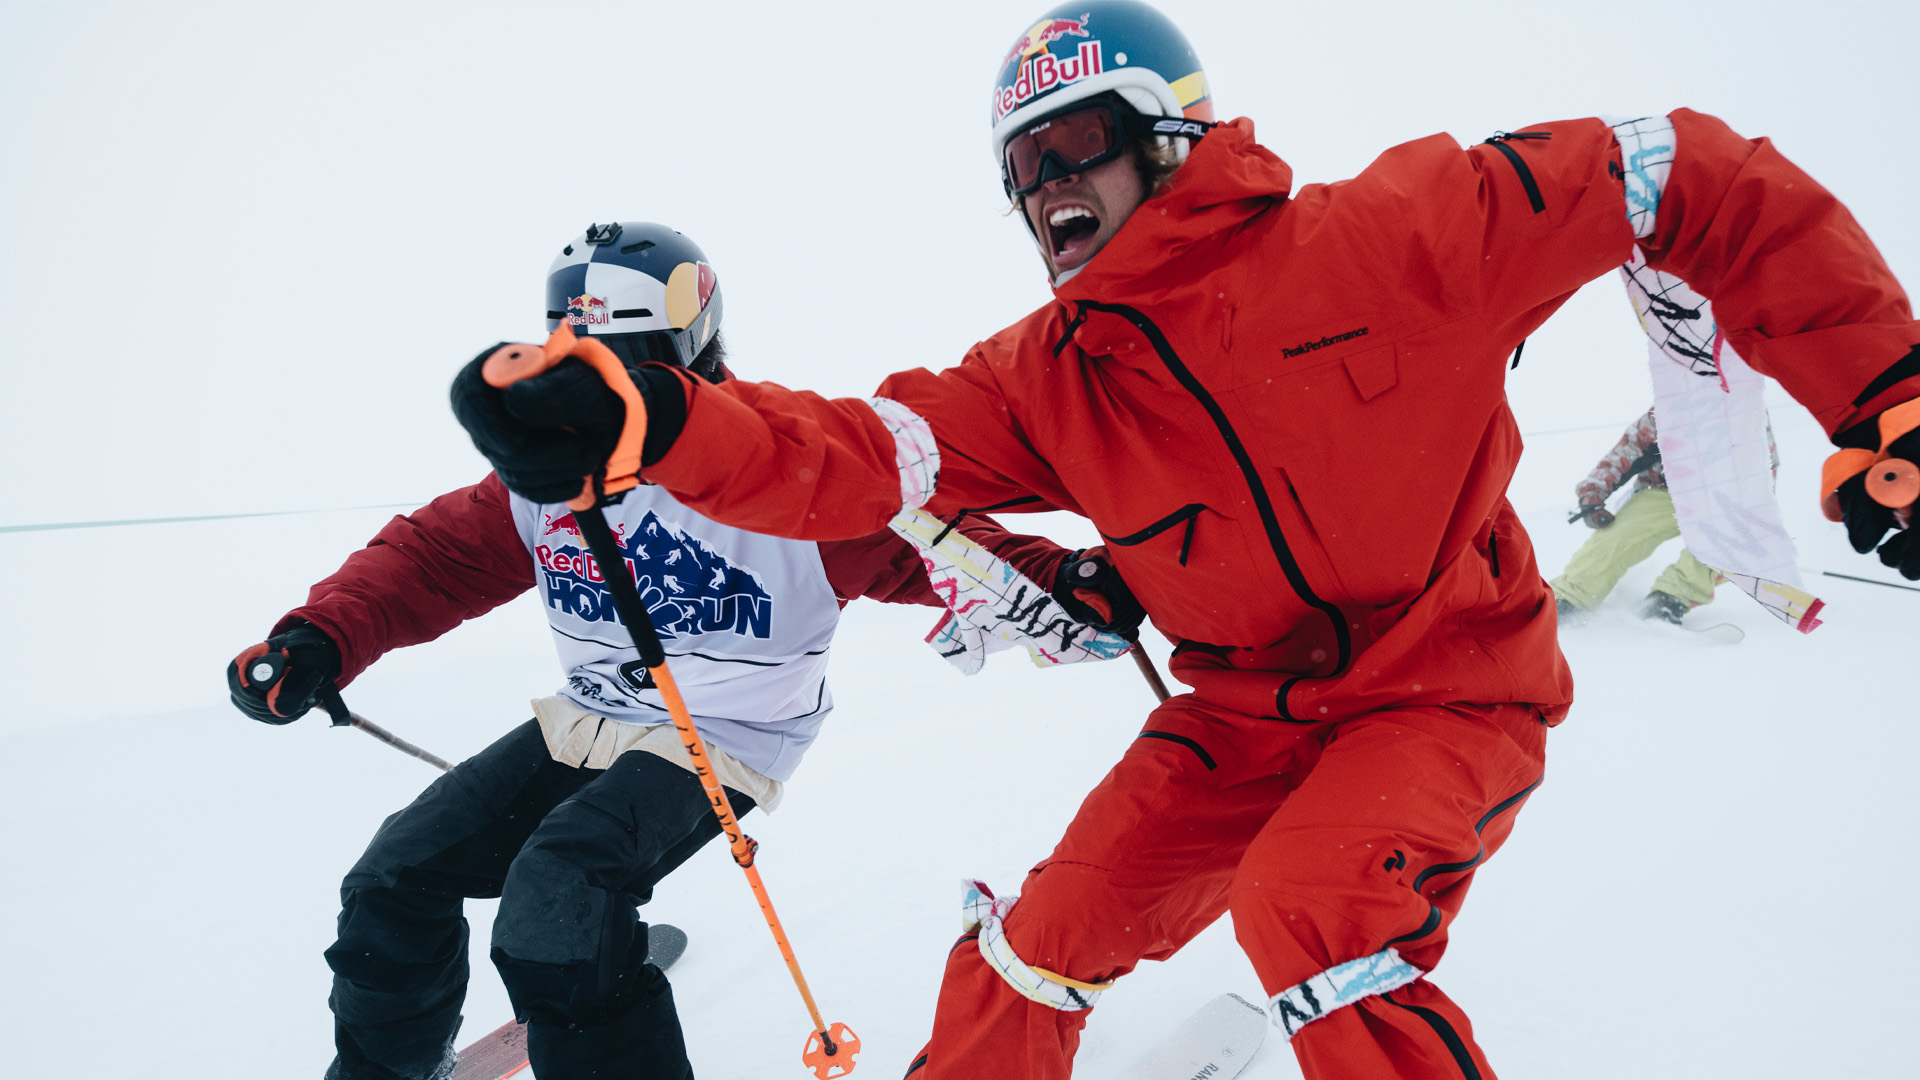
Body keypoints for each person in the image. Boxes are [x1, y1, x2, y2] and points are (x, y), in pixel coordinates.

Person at [448, 2, 1920, 1077]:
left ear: (1175, 135)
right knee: (1044, 933)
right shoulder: (1047, 373)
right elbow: (861, 454)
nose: (1049, 190)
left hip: (1448, 684)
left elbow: (1680, 173)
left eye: (1076, 146)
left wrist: (1889, 392)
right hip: (1241, 712)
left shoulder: (1398, 235)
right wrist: (655, 420)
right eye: (1021, 174)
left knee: (1315, 918)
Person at [225, 222, 1114, 1080]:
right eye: (580, 370)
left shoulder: (775, 475)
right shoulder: (546, 482)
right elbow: (433, 559)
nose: (608, 394)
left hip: (723, 734)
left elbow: (941, 546)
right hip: (591, 718)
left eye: (631, 365)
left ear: (690, 349)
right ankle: (390, 1070)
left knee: (559, 896)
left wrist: (1069, 583)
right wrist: (321, 638)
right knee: (394, 875)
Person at [1549, 406, 1779, 624]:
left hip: (1725, 498)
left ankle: (1670, 598)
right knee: (1618, 537)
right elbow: (1629, 448)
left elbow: (1764, 469)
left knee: (1723, 541)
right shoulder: (1668, 408)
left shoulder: (1749, 415)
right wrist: (1593, 494)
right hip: (1665, 491)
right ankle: (1571, 596)